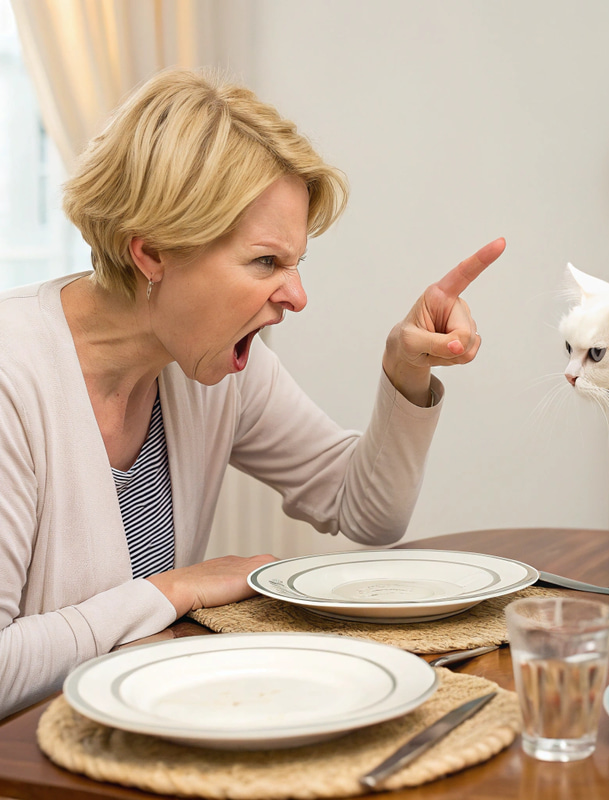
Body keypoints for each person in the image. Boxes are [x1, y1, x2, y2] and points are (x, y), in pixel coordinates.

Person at [0, 68, 505, 719]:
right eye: (266, 262)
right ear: (152, 253)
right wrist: (173, 591)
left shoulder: (222, 369)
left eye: (296, 263)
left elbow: (366, 511)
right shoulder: (13, 376)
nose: (297, 296)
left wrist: (405, 368)